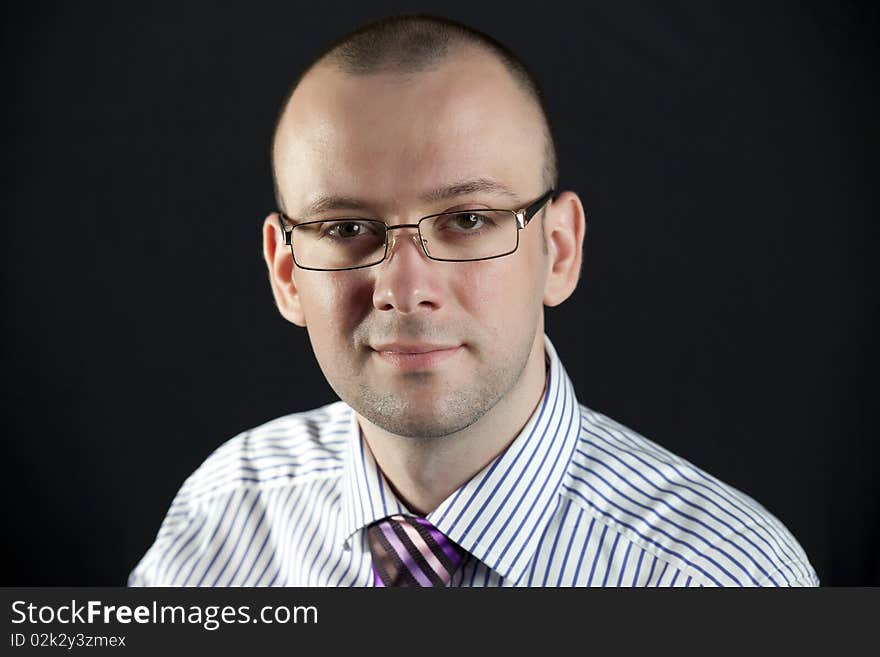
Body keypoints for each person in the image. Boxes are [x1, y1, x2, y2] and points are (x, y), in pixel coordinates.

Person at [129, 14, 818, 587]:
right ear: (286, 272)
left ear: (560, 250)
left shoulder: (721, 580)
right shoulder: (225, 514)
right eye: (345, 229)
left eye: (466, 220)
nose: (405, 289)